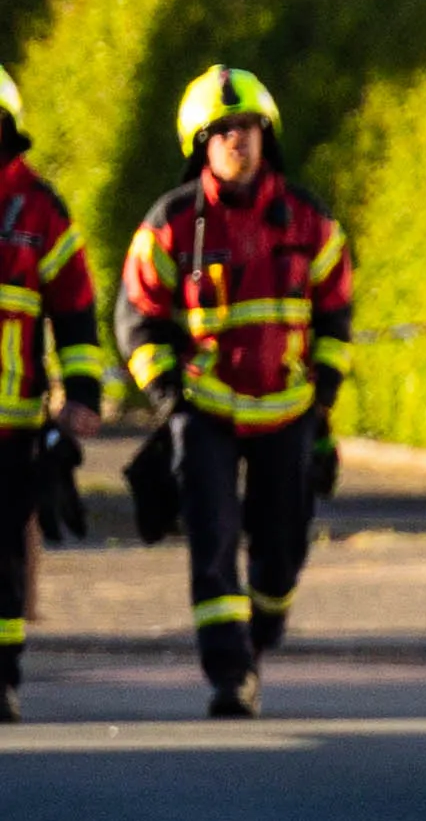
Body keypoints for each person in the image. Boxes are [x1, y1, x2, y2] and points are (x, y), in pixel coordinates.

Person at [116, 66, 356, 720]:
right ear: (201, 144)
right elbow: (137, 316)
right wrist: (168, 393)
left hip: (286, 413)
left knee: (281, 550)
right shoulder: (170, 225)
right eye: (220, 132)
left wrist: (324, 393)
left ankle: (264, 629)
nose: (235, 142)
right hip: (207, 414)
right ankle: (229, 675)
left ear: (264, 134)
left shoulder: (309, 221)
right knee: (212, 539)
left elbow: (335, 311)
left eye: (244, 128)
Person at [0, 69, 87, 724]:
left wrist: (81, 392)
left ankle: (0, 679)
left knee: (3, 550)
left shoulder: (38, 208)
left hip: (13, 424)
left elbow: (75, 308)